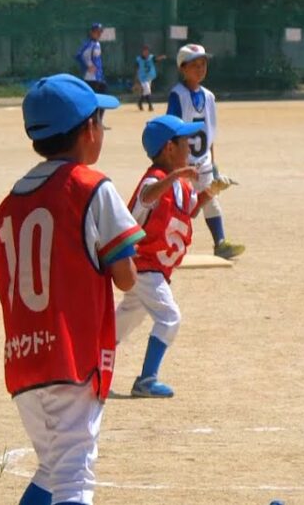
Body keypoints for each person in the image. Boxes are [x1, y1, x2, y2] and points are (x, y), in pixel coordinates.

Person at [0, 74, 144, 504]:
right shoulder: (91, 186)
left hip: (23, 357)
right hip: (70, 358)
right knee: (74, 477)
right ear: (88, 130)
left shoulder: (14, 196)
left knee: (54, 469)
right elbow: (126, 276)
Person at [115, 115, 217, 398]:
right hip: (144, 265)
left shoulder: (180, 184)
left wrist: (210, 192)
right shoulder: (156, 179)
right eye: (184, 141)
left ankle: (90, 366)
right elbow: (146, 197)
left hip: (154, 268)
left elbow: (190, 209)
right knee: (169, 317)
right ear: (169, 148)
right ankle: (146, 380)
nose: (190, 146)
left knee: (125, 320)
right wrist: (174, 176)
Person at [167, 44, 245, 260]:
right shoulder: (177, 94)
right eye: (194, 65)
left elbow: (209, 132)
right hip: (184, 161)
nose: (200, 69)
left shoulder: (209, 97)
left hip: (204, 160)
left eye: (203, 65)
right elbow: (172, 127)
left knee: (210, 199)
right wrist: (177, 161)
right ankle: (167, 244)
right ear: (183, 69)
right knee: (178, 204)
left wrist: (213, 162)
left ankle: (220, 242)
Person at [134, 44, 165, 111]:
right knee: (147, 90)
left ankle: (140, 103)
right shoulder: (139, 59)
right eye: (145, 51)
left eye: (147, 51)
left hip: (149, 77)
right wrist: (136, 79)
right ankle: (150, 106)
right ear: (142, 52)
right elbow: (136, 68)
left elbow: (156, 59)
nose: (146, 53)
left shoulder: (151, 57)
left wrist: (161, 58)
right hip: (142, 77)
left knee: (146, 91)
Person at [77, 23, 107, 93]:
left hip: (98, 76)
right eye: (97, 32)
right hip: (90, 77)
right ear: (92, 32)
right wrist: (87, 67)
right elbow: (78, 55)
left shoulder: (97, 43)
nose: (99, 34)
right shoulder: (89, 44)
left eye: (100, 32)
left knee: (103, 92)